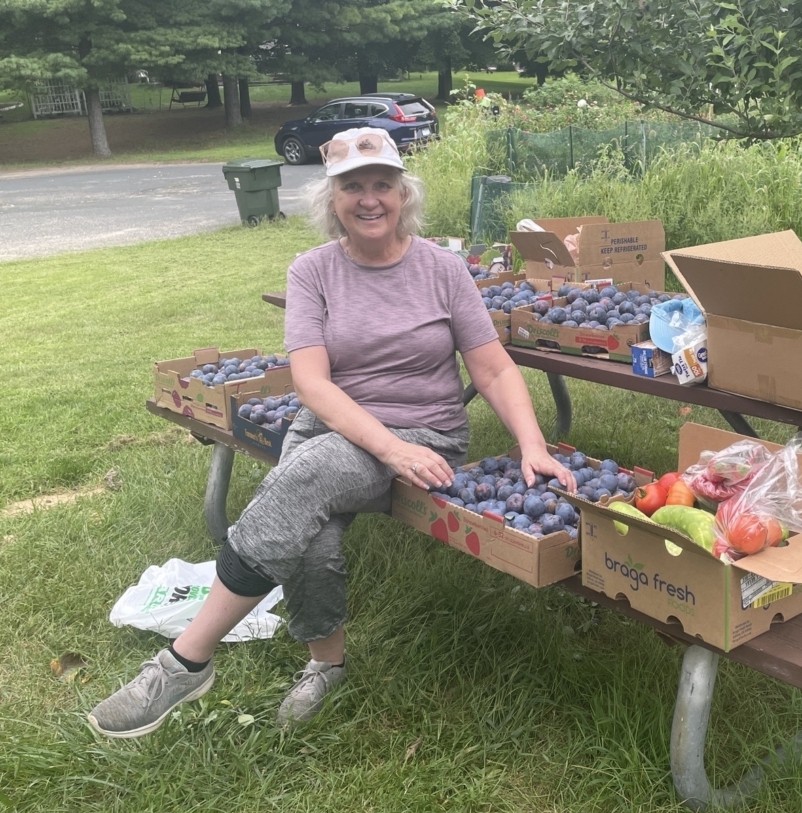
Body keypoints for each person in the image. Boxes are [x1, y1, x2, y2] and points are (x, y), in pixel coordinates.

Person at [88, 127, 575, 738]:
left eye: (383, 185)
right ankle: (326, 665)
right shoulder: (312, 270)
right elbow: (312, 386)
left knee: (304, 482)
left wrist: (532, 443)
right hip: (332, 426)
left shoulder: (443, 270)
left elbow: (494, 366)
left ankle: (185, 662)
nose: (369, 199)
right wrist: (385, 446)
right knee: (307, 532)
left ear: (404, 195)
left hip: (425, 436)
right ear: (331, 198)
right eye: (353, 187)